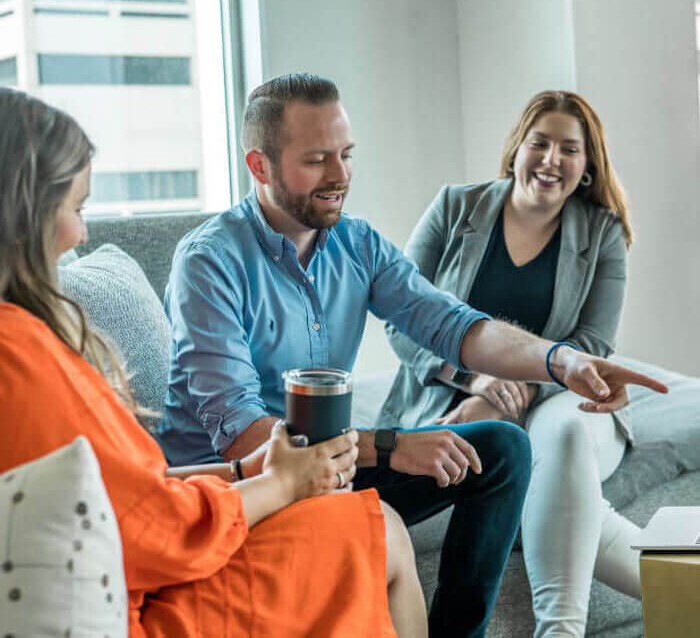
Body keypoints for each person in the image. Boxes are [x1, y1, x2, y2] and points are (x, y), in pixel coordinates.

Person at [158, 74, 667, 637]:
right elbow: (246, 438)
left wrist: (564, 362)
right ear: (260, 166)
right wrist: (393, 446)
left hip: (329, 470)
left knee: (501, 449)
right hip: (244, 489)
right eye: (317, 159)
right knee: (416, 464)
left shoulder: (356, 245)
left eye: (346, 155)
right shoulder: (210, 262)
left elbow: (454, 325)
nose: (340, 175)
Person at [0, 87, 429, 638]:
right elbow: (147, 530)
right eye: (77, 209)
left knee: (482, 456)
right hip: (142, 600)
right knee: (377, 530)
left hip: (164, 541)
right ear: (21, 215)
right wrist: (280, 485)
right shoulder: (21, 359)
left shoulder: (357, 242)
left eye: (345, 154)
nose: (82, 235)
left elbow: (122, 493)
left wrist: (245, 474)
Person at [379, 90, 645, 636]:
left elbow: (593, 339)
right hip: (450, 393)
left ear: (587, 165)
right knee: (565, 493)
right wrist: (474, 380)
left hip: (557, 393)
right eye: (540, 143)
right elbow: (400, 318)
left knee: (566, 434)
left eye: (569, 149)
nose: (551, 160)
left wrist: (513, 389)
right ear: (516, 147)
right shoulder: (455, 207)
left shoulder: (602, 234)